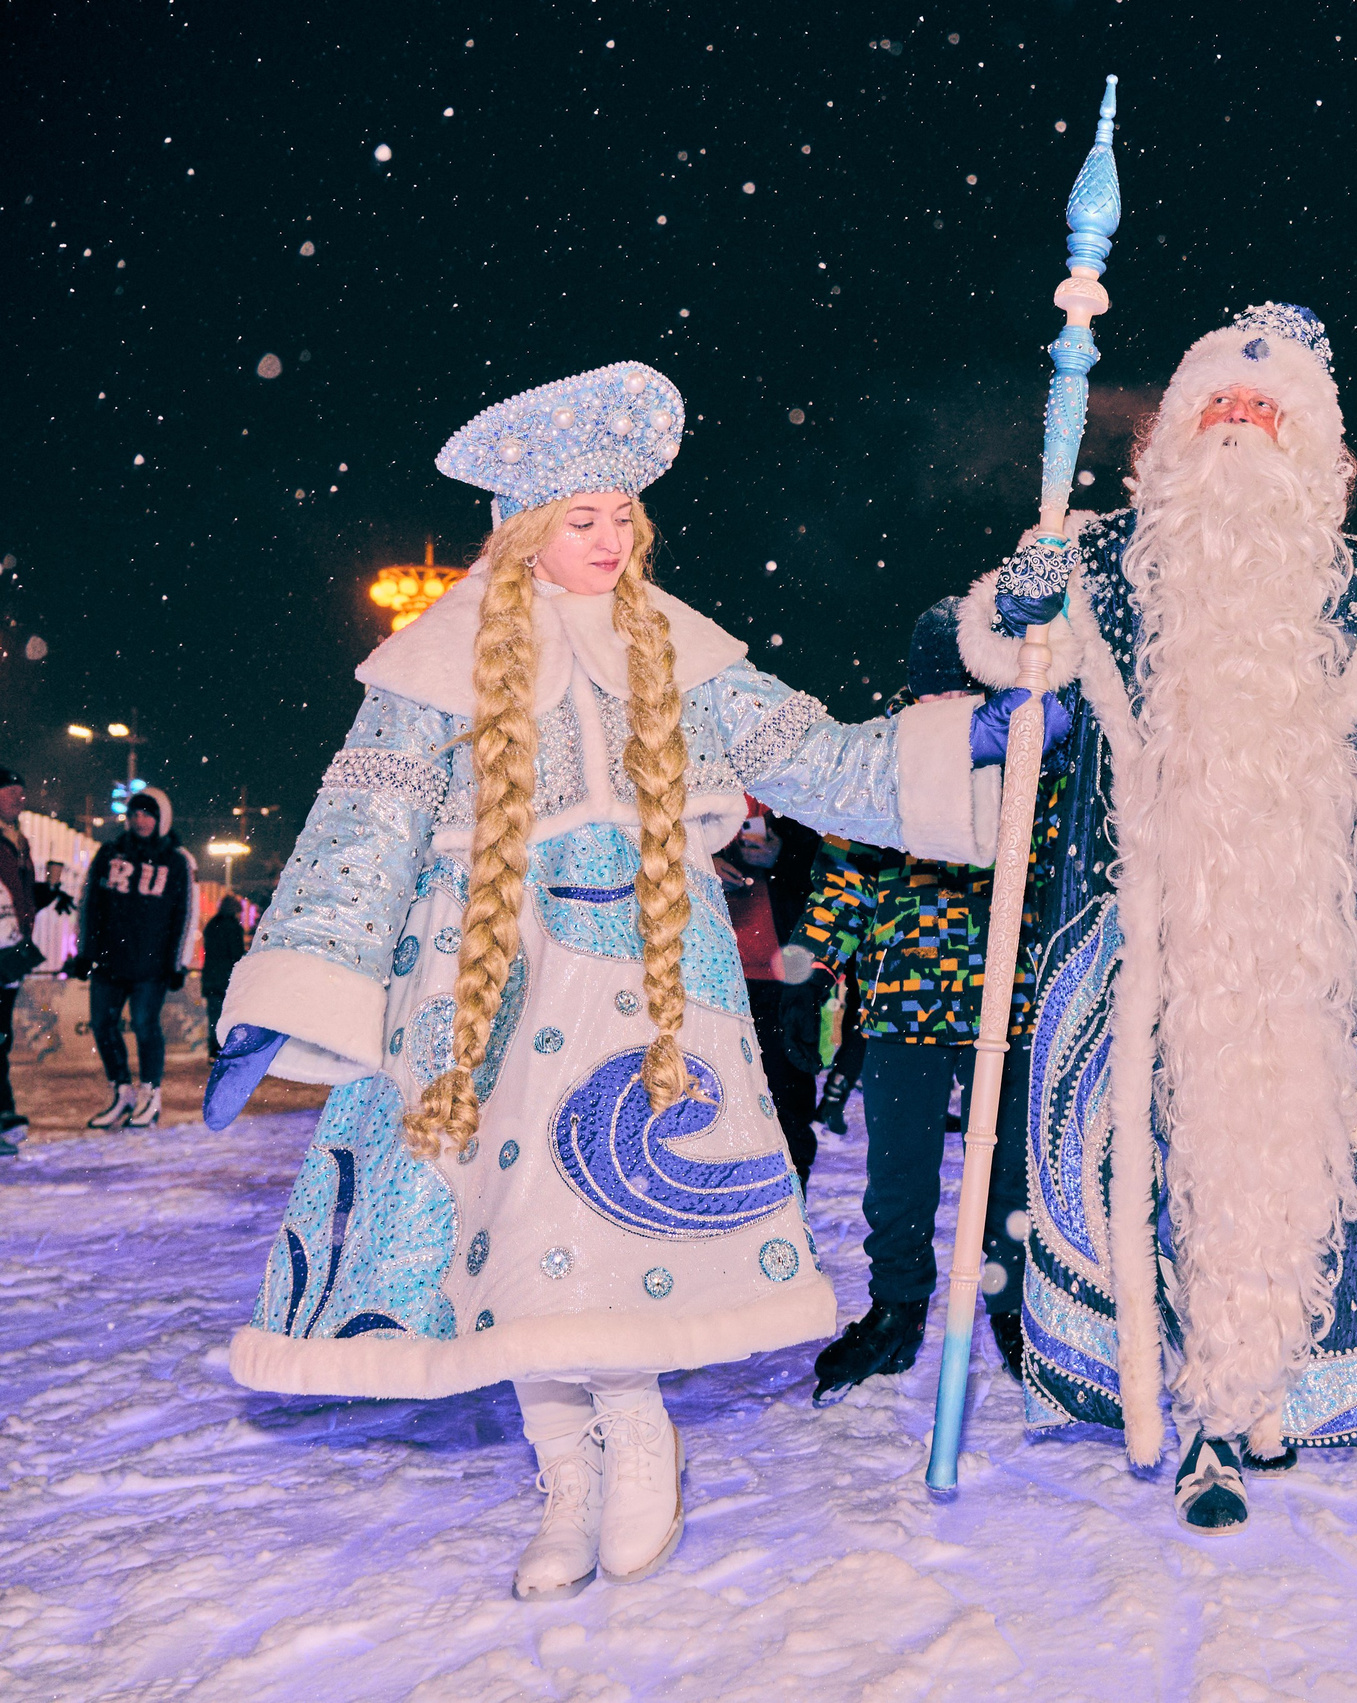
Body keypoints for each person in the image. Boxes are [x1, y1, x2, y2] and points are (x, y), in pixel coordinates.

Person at [200, 362, 1053, 1601]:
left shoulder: (681, 651)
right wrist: (277, 1002)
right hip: (484, 978)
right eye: (581, 522)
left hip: (655, 975)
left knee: (607, 1219)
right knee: (513, 1227)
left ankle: (640, 1441)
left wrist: (964, 734)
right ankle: (563, 1472)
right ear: (527, 531)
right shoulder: (429, 667)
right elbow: (359, 828)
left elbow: (811, 756)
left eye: (622, 522)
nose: (608, 544)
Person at [956, 304, 1357, 1531]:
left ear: (1313, 451)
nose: (1236, 430)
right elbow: (1000, 704)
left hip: (1298, 948)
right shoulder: (1100, 572)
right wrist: (1015, 615)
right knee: (1142, 1167)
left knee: (1304, 1166)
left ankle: (1275, 1385)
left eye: (1261, 412)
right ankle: (1181, 1404)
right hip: (1136, 943)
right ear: (1171, 438)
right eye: (1216, 412)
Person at [795, 599, 1063, 1401]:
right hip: (904, 998)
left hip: (1009, 1001)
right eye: (932, 692)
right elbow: (842, 872)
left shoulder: (1026, 747)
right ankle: (898, 1309)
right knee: (899, 1174)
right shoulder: (888, 751)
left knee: (1010, 1172)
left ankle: (1011, 1305)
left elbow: (1054, 862)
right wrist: (811, 967)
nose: (945, 707)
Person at [714, 799, 825, 1183]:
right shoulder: (699, 781)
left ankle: (794, 1218)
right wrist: (700, 866)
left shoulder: (794, 785)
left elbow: (834, 876)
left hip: (786, 981)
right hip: (712, 979)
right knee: (715, 1109)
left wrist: (783, 856)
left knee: (788, 1115)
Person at [75, 786, 197, 1131]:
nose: (140, 820)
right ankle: (122, 1093)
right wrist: (85, 951)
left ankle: (150, 1096)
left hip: (151, 965)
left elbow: (186, 914)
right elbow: (90, 904)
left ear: (161, 818)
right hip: (109, 962)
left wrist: (179, 962)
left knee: (145, 1027)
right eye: (135, 814)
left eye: (147, 813)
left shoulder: (177, 860)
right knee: (102, 1025)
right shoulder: (110, 852)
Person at [0, 765, 68, 1150]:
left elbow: (20, 899)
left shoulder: (19, 841)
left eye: (20, 793)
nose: (18, 798)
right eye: (10, 792)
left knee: (1, 1036)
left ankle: (4, 1112)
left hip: (11, 951)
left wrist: (48, 892)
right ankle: (3, 1111)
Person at [201, 894, 250, 1049]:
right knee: (230, 1015)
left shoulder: (212, 924)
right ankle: (227, 1046)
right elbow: (236, 954)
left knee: (214, 1015)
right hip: (227, 978)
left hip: (211, 977)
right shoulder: (233, 927)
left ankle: (214, 1048)